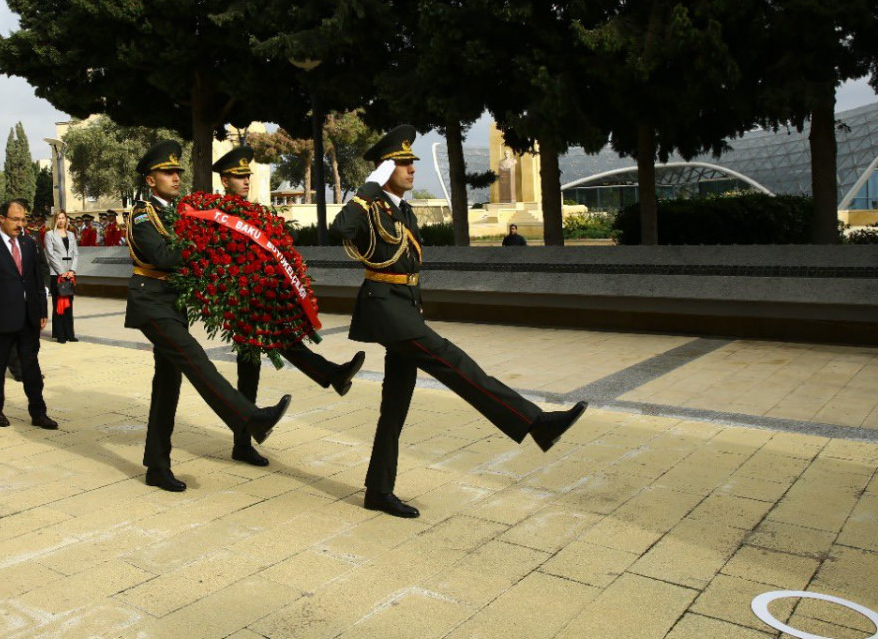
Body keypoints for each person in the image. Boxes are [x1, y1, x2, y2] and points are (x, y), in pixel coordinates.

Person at [330, 125, 587, 519]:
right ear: (384, 170)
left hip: (404, 309)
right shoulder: (371, 207)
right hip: (386, 312)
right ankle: (535, 423)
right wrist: (368, 186)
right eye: (402, 164)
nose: (413, 169)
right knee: (457, 364)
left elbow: (408, 269)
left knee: (395, 405)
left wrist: (416, 306)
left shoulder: (404, 210)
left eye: (413, 163)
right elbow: (340, 230)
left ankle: (378, 491)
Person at [126, 140, 291, 492]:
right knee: (195, 359)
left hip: (172, 305)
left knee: (167, 387)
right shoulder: (142, 213)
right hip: (150, 302)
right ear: (150, 180)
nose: (175, 177)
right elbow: (160, 255)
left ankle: (157, 466)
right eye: (167, 172)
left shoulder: (179, 213)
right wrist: (202, 241)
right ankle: (250, 418)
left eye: (177, 172)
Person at [211, 145, 364, 467]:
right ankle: (245, 439)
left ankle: (332, 376)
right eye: (239, 176)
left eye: (247, 175)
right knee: (251, 369)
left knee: (279, 347)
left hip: (263, 298)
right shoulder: (218, 215)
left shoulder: (252, 212)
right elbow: (219, 260)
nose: (246, 181)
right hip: (242, 302)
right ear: (225, 180)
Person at [0, 199, 56, 429]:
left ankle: (38, 413)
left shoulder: (29, 244)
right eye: (16, 219)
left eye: (23, 219)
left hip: (28, 317)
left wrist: (41, 310)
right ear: (2, 219)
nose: (20, 224)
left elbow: (37, 280)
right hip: (1, 318)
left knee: (31, 366)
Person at [42, 211, 79, 343]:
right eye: (59, 218)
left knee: (69, 304)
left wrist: (72, 270)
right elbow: (50, 255)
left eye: (63, 218)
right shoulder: (49, 234)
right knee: (59, 304)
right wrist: (61, 271)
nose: (61, 220)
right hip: (56, 274)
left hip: (69, 274)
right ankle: (60, 334)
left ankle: (70, 333)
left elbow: (75, 254)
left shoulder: (71, 235)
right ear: (55, 220)